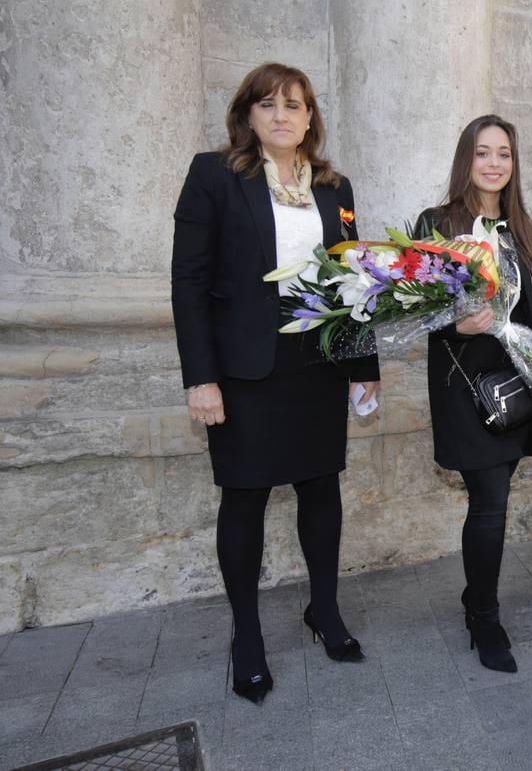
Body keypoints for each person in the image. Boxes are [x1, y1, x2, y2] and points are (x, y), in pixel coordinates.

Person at [171, 63, 380, 704]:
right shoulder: (215, 177)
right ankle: (249, 637)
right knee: (244, 500)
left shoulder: (333, 185)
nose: (282, 116)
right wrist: (200, 380)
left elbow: (356, 282)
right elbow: (189, 283)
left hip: (316, 366)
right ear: (249, 116)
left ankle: (324, 609)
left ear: (311, 117)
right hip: (244, 373)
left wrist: (362, 368)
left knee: (322, 491)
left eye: (294, 105)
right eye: (268, 105)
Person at [412, 115, 532, 673]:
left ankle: (477, 602)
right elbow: (415, 307)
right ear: (466, 159)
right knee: (490, 504)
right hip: (464, 388)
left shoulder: (526, 229)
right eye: (483, 152)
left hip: (517, 385)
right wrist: (457, 324)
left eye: (504, 153)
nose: (494, 163)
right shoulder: (437, 223)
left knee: (494, 501)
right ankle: (483, 614)